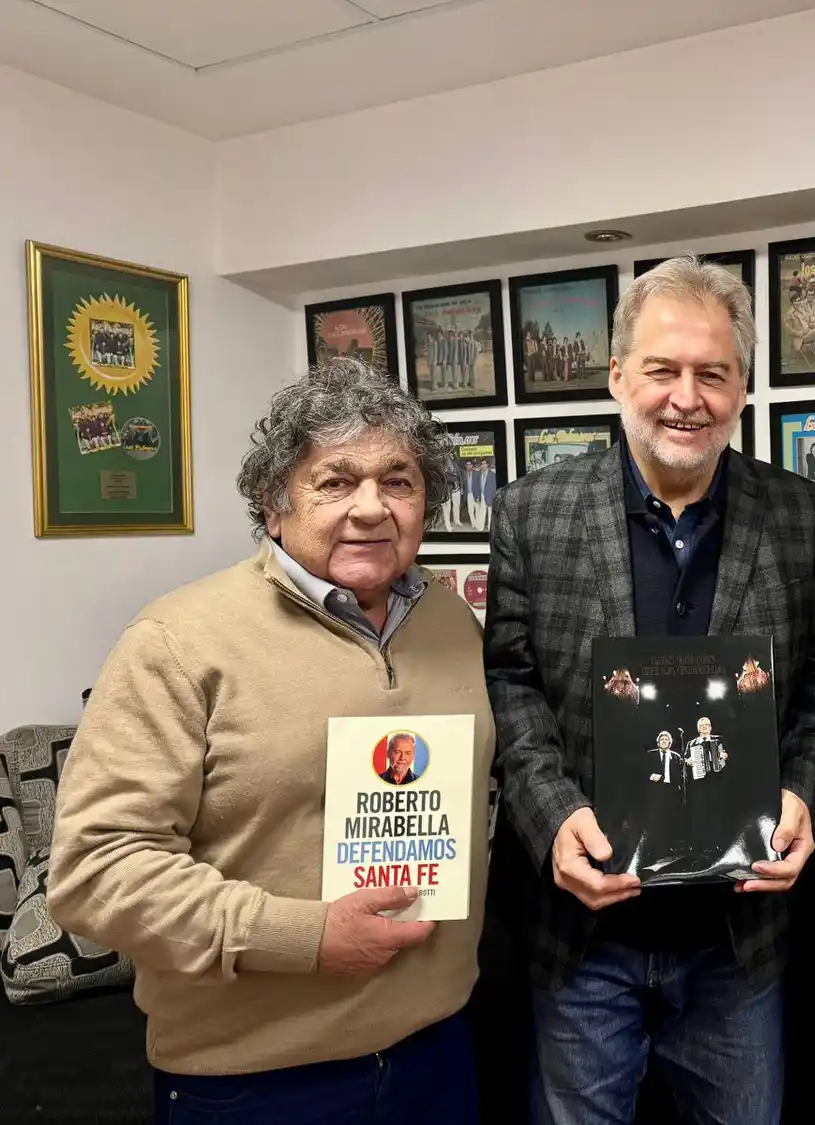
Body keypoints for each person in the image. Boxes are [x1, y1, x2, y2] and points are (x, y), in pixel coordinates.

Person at [48, 357, 497, 1124]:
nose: (371, 508)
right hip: (257, 1080)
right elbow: (95, 871)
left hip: (438, 1051)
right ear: (274, 501)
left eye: (399, 481)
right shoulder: (176, 641)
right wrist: (305, 934)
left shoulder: (451, 621)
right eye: (334, 481)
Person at [485, 255, 815, 1125]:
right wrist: (548, 821)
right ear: (619, 375)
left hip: (738, 936)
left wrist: (803, 787)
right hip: (584, 935)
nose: (685, 396)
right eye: (662, 370)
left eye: (712, 373)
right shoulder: (531, 511)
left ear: (742, 387)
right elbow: (510, 680)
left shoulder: (802, 512)